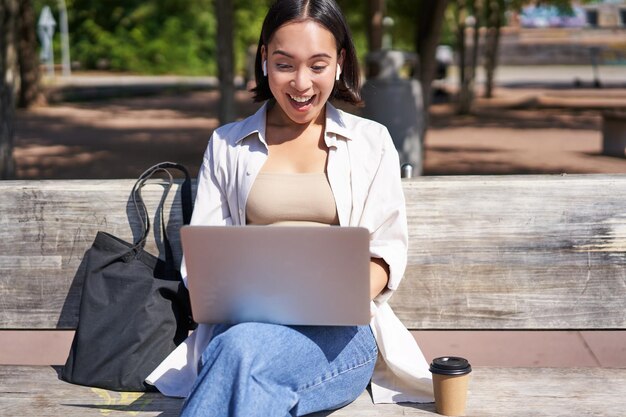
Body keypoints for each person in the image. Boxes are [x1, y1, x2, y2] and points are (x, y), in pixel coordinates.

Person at [146, 0, 434, 415]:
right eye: (285, 64)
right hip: (243, 328)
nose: (302, 83)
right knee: (247, 364)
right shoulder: (228, 144)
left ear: (340, 63)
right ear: (264, 59)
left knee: (238, 356)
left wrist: (323, 299)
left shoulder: (372, 142)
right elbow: (204, 262)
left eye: (318, 65)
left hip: (339, 336)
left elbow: (386, 256)